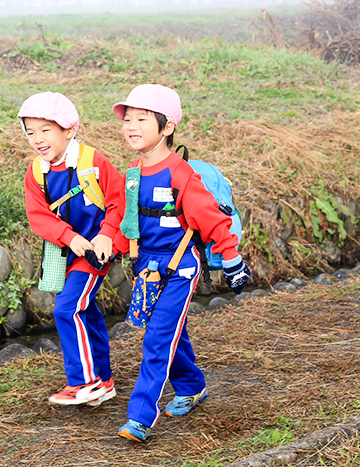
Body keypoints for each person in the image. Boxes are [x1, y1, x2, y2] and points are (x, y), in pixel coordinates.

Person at [112, 84, 251, 441]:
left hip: (180, 267)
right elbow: (124, 221)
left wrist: (232, 259)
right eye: (128, 119)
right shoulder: (132, 173)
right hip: (146, 266)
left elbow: (213, 220)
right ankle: (192, 386)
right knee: (171, 331)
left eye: (142, 119)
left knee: (158, 337)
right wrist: (107, 245)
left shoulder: (181, 174)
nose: (132, 126)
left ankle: (140, 417)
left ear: (167, 127)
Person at [20, 91, 126, 406]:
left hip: (97, 251)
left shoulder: (93, 162)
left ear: (69, 130)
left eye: (45, 130)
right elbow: (38, 216)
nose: (37, 139)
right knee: (87, 311)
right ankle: (103, 381)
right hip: (69, 251)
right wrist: (69, 238)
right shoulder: (36, 172)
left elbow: (119, 201)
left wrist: (105, 235)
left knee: (67, 308)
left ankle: (84, 382)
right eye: (30, 132)